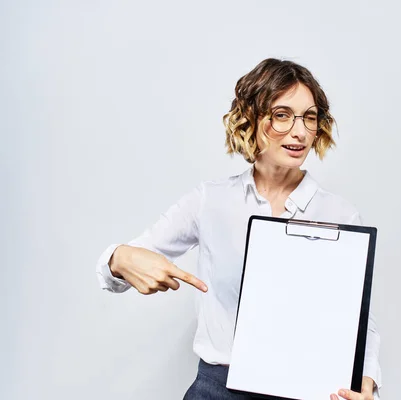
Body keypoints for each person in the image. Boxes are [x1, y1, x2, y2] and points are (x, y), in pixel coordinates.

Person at [96, 58, 382, 400]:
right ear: (250, 118)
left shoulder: (340, 214)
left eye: (309, 116)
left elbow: (359, 320)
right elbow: (119, 267)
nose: (300, 131)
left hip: (307, 392)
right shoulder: (210, 201)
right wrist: (119, 258)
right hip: (217, 390)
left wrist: (368, 380)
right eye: (282, 115)